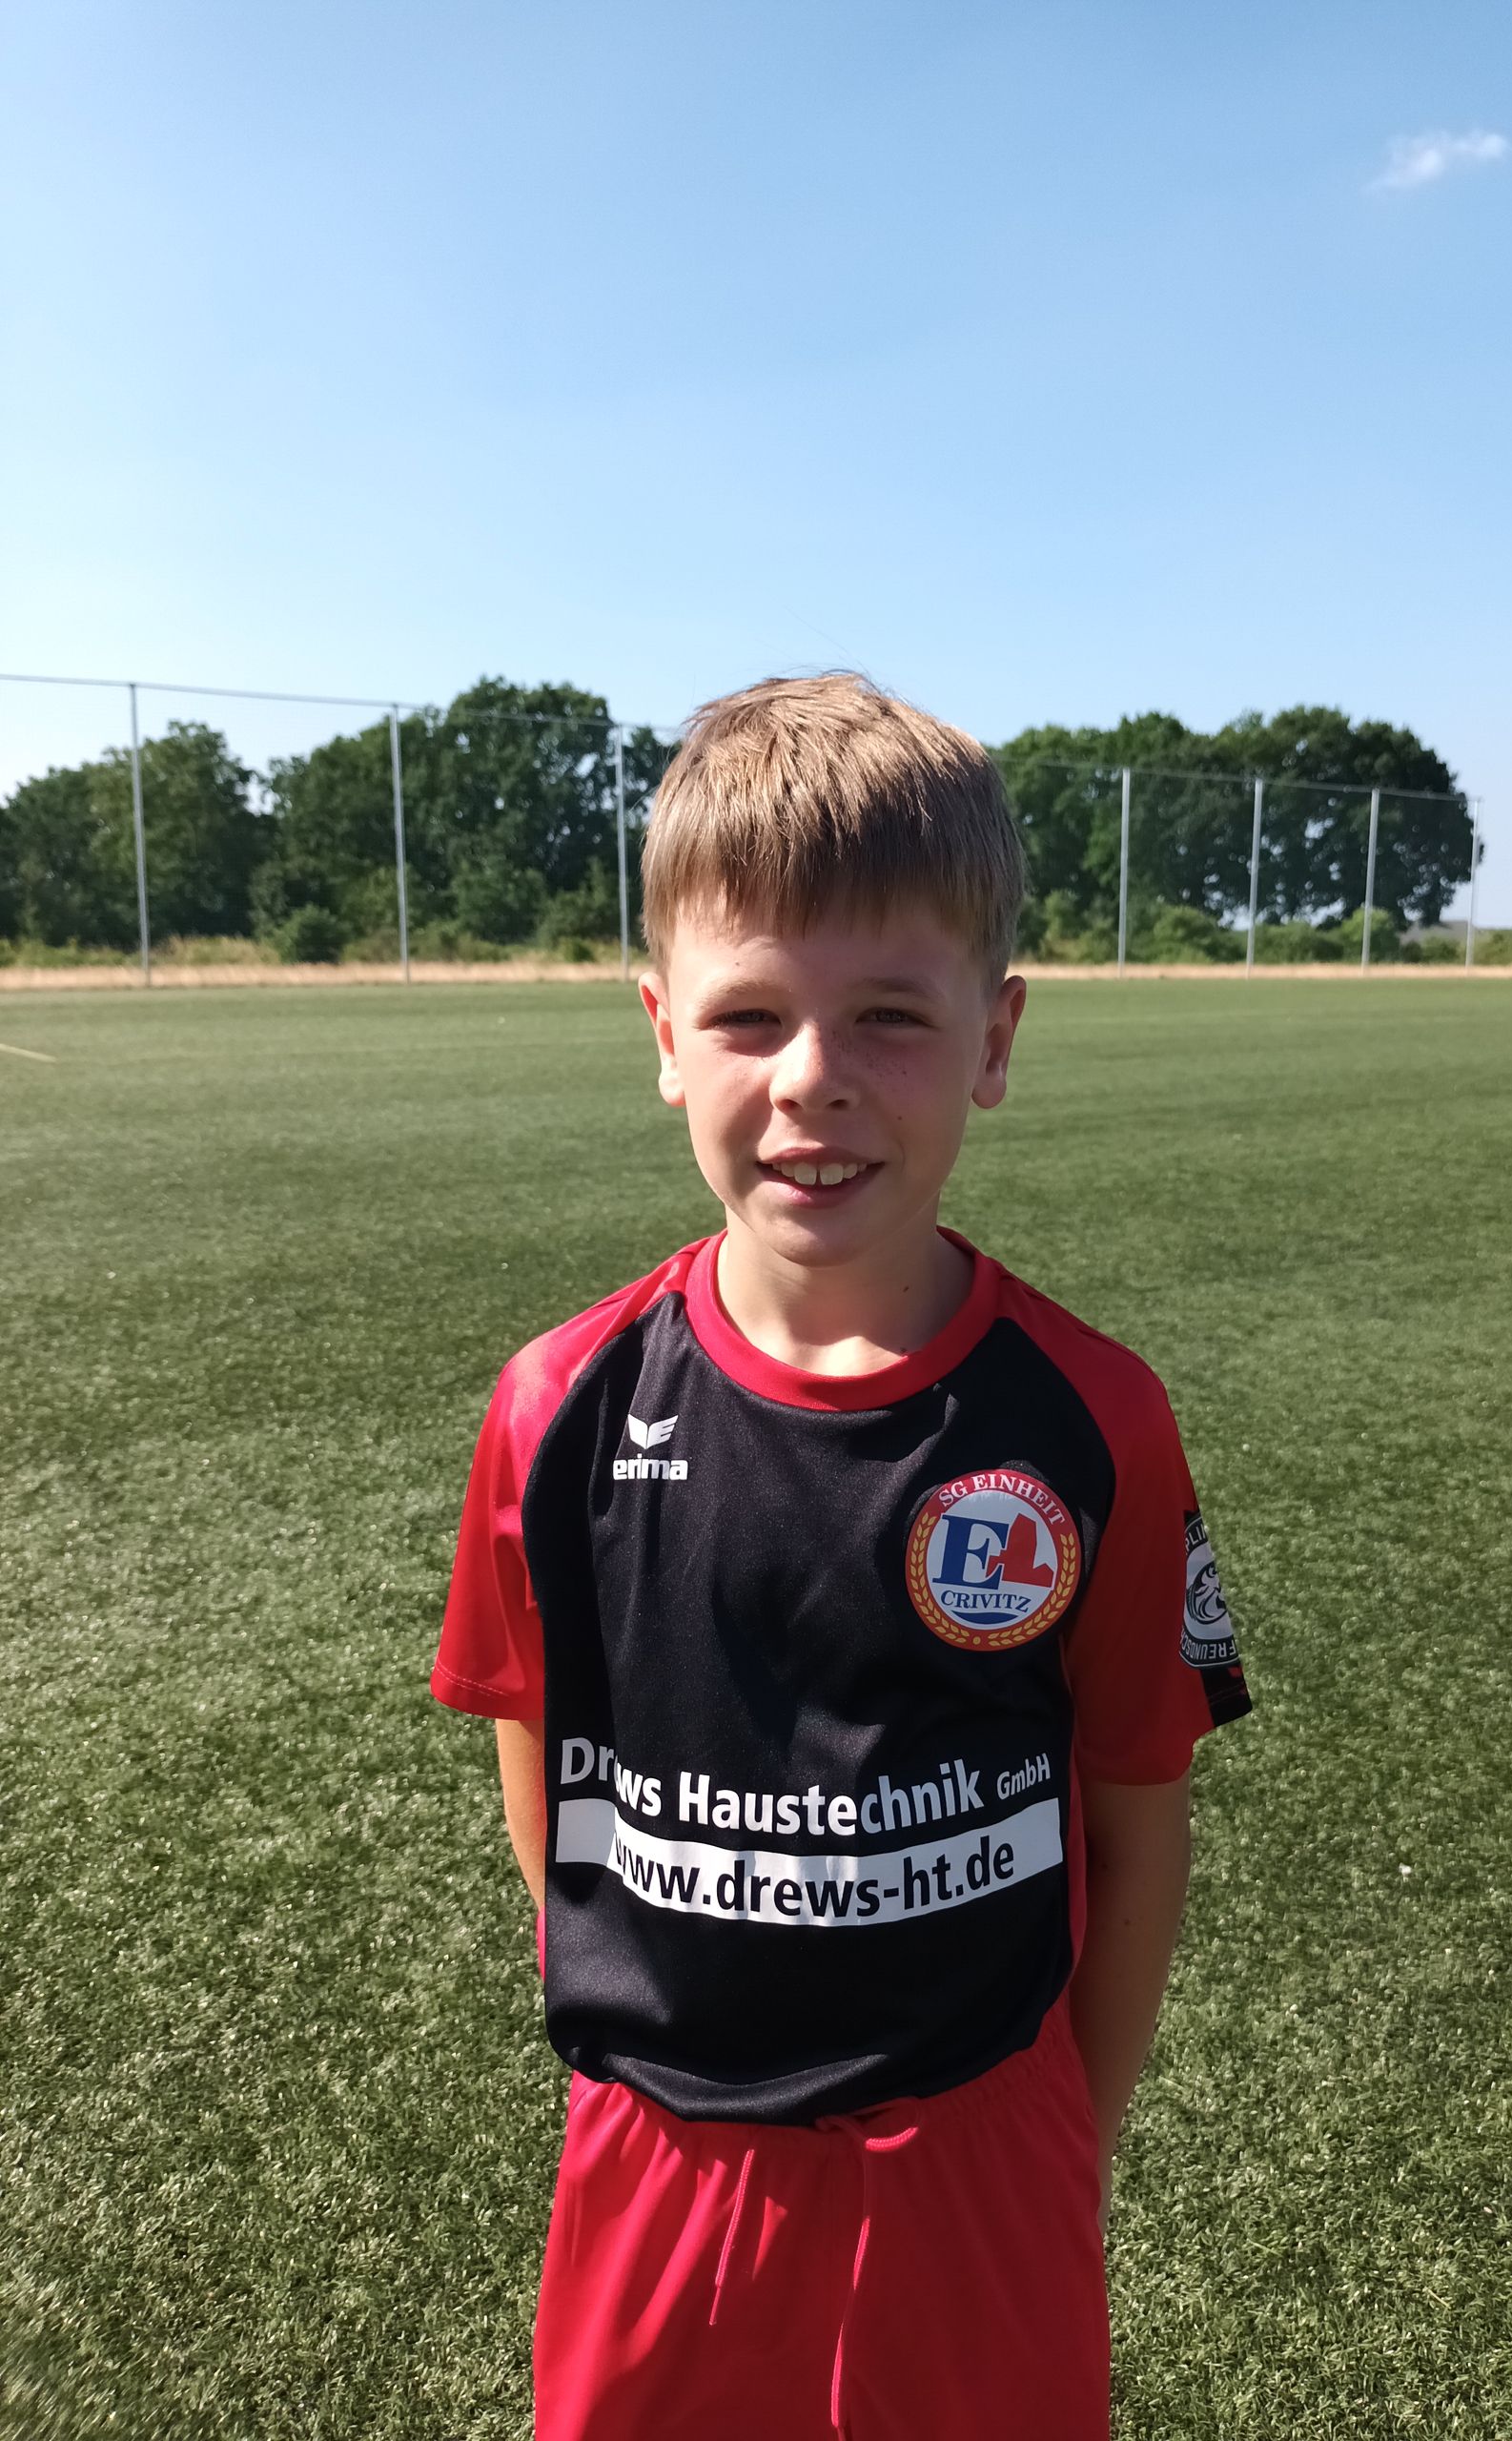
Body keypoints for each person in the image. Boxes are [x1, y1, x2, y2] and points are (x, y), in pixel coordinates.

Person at [430, 673, 1252, 2441]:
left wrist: (1063, 2135)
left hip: (982, 2159)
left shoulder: (1094, 1418)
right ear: (662, 1033)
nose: (814, 1078)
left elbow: (1137, 1818)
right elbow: (541, 1763)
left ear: (995, 1038)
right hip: (661, 2166)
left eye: (890, 1014)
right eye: (750, 1017)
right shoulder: (556, 1406)